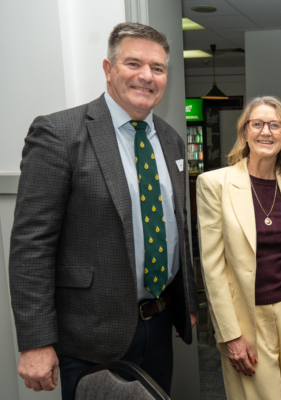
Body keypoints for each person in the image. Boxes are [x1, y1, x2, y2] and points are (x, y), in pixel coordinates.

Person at [9, 22, 198, 399]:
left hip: (159, 325)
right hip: (91, 334)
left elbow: (176, 228)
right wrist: (35, 342)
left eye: (158, 68)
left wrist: (185, 303)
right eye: (134, 63)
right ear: (108, 69)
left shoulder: (172, 140)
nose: (147, 76)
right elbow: (32, 245)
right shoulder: (60, 133)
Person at [197, 96, 281, 400]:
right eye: (257, 124)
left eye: (275, 125)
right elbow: (213, 267)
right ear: (245, 132)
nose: (266, 132)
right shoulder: (214, 185)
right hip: (247, 319)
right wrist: (231, 334)